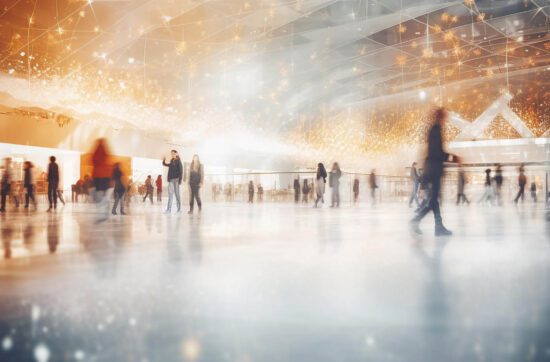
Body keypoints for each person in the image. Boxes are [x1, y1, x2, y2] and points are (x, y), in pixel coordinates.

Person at [410, 108, 458, 236]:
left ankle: (439, 227)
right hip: (434, 170)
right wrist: (452, 157)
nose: (446, 120)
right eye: (445, 117)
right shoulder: (436, 130)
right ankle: (416, 220)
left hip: (432, 168)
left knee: (434, 200)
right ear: (441, 117)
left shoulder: (434, 129)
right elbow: (436, 153)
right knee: (433, 200)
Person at [91, 139, 113, 222]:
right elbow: (108, 159)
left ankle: (102, 210)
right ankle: (105, 210)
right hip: (105, 175)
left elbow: (92, 160)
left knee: (100, 193)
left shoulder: (96, 151)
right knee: (104, 194)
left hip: (97, 175)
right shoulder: (105, 151)